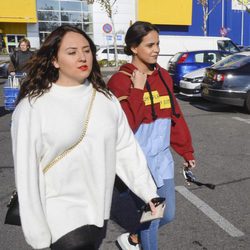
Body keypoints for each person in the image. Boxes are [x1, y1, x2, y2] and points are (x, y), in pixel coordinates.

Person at [11, 24, 160, 250]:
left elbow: (125, 148)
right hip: (59, 213)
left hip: (98, 210)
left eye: (87, 50)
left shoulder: (104, 99)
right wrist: (38, 235)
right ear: (55, 60)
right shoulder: (33, 107)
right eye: (72, 52)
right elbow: (27, 173)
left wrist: (148, 191)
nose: (82, 57)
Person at [107, 21, 196, 250]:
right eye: (150, 45)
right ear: (134, 48)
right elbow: (125, 125)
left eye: (157, 43)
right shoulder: (119, 81)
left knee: (167, 215)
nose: (156, 49)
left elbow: (174, 116)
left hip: (162, 160)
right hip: (137, 163)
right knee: (152, 219)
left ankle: (131, 239)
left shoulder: (164, 76)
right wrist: (137, 89)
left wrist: (186, 150)